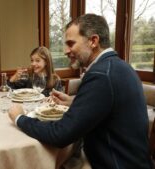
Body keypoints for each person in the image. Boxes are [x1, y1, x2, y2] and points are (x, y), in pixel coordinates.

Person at [8, 14, 152, 168]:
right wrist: (75, 101)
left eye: (71, 43)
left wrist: (20, 118)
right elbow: (110, 106)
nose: (65, 51)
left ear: (93, 41)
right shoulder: (119, 66)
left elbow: (61, 135)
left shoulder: (100, 75)